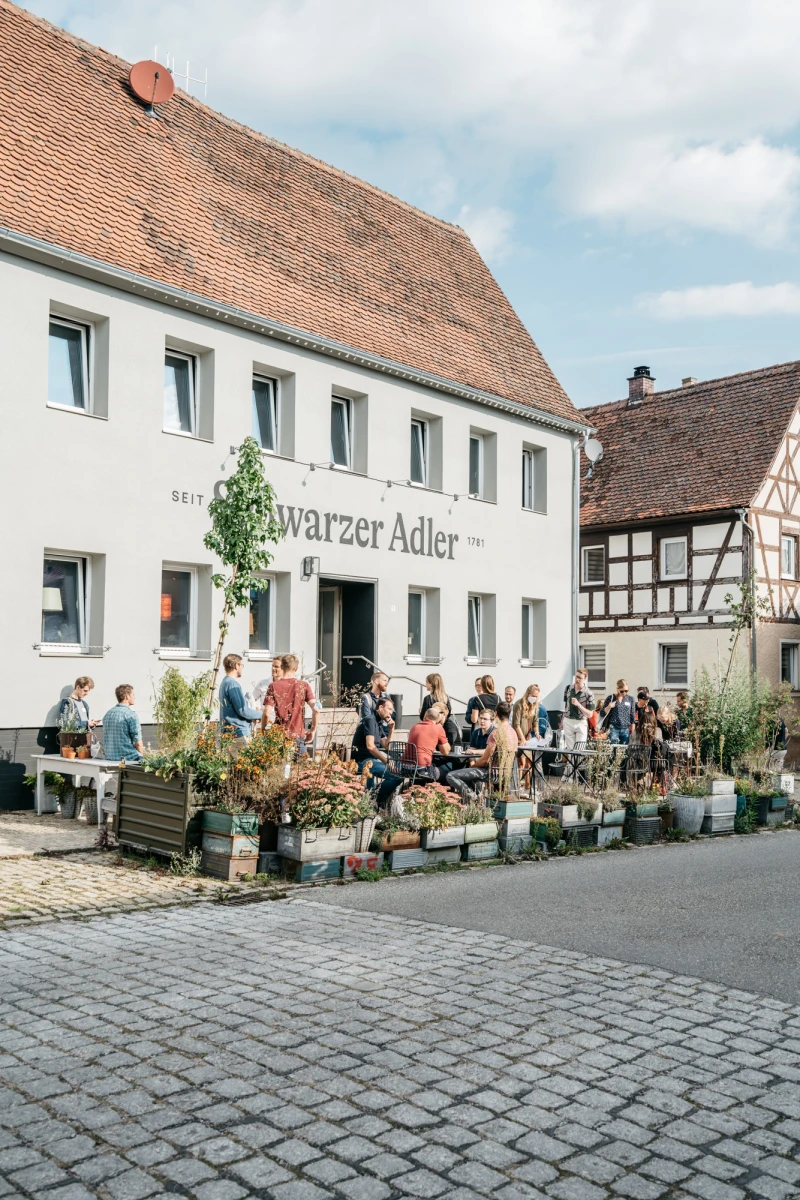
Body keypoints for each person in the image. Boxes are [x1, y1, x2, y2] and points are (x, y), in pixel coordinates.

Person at [447, 701, 518, 799]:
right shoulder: (513, 733)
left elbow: (485, 760)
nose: (482, 721)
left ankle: (473, 797)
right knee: (468, 774)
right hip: (508, 773)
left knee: (451, 775)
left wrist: (473, 767)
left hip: (492, 773)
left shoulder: (496, 733)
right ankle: (477, 796)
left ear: (496, 714)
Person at [263, 654, 318, 756]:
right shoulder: (304, 685)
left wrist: (263, 732)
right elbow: (317, 709)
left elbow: (266, 713)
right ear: (296, 668)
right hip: (298, 736)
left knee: (278, 766)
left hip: (279, 736)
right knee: (300, 765)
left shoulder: (273, 686)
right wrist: (313, 730)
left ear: (282, 667)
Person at [351, 696, 402, 804]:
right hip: (362, 761)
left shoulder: (378, 723)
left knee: (398, 773)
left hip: (371, 761)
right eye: (389, 709)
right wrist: (387, 762)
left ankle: (374, 798)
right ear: (381, 707)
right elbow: (370, 746)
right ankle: (377, 801)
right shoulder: (370, 720)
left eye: (392, 710)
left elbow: (387, 746)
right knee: (397, 776)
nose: (391, 712)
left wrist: (391, 729)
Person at [219, 654, 262, 741]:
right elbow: (243, 710)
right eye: (241, 665)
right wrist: (262, 715)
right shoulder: (233, 684)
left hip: (228, 732)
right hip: (238, 733)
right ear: (236, 666)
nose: (241, 668)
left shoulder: (224, 682)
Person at [102, 685, 144, 762]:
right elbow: (138, 743)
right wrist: (142, 759)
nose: (134, 697)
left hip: (110, 758)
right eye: (133, 695)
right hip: (126, 759)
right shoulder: (130, 715)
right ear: (127, 696)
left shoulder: (108, 714)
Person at [407, 707, 450, 781]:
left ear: (425, 716)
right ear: (438, 720)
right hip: (421, 769)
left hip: (405, 768)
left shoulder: (414, 727)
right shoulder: (438, 728)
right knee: (448, 775)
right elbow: (445, 752)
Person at [420, 673, 461, 747]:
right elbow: (448, 713)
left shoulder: (428, 699)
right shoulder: (446, 697)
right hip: (444, 728)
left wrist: (421, 712)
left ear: (432, 684)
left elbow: (423, 717)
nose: (425, 684)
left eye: (427, 682)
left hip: (432, 728)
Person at [561, 668, 594, 750]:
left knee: (580, 749)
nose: (577, 679)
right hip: (568, 721)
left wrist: (579, 705)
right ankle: (571, 759)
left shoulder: (589, 693)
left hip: (581, 722)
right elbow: (566, 706)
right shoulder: (568, 688)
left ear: (585, 678)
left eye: (580, 678)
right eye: (576, 676)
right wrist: (562, 720)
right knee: (570, 750)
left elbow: (590, 714)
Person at [601, 679, 636, 745]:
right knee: (613, 749)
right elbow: (602, 713)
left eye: (626, 691)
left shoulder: (630, 699)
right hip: (613, 728)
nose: (624, 693)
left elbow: (632, 715)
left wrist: (633, 730)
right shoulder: (611, 698)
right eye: (622, 691)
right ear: (617, 689)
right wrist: (609, 706)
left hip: (625, 729)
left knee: (624, 749)